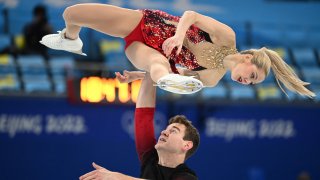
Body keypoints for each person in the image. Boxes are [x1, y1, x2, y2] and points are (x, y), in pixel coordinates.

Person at [40, 3, 315, 97]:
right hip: (145, 23)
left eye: (252, 84)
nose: (247, 82)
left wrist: (137, 77)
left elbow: (177, 72)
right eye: (253, 75)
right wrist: (180, 36)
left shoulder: (212, 78)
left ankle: (158, 75)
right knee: (72, 13)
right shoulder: (226, 37)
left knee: (160, 68)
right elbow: (191, 14)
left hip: (143, 50)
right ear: (247, 58)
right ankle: (69, 38)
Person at [79, 71, 200, 180]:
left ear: (187, 145)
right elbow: (143, 117)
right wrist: (144, 74)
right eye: (166, 129)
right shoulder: (151, 158)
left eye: (174, 131)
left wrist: (118, 177)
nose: (164, 132)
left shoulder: (188, 177)